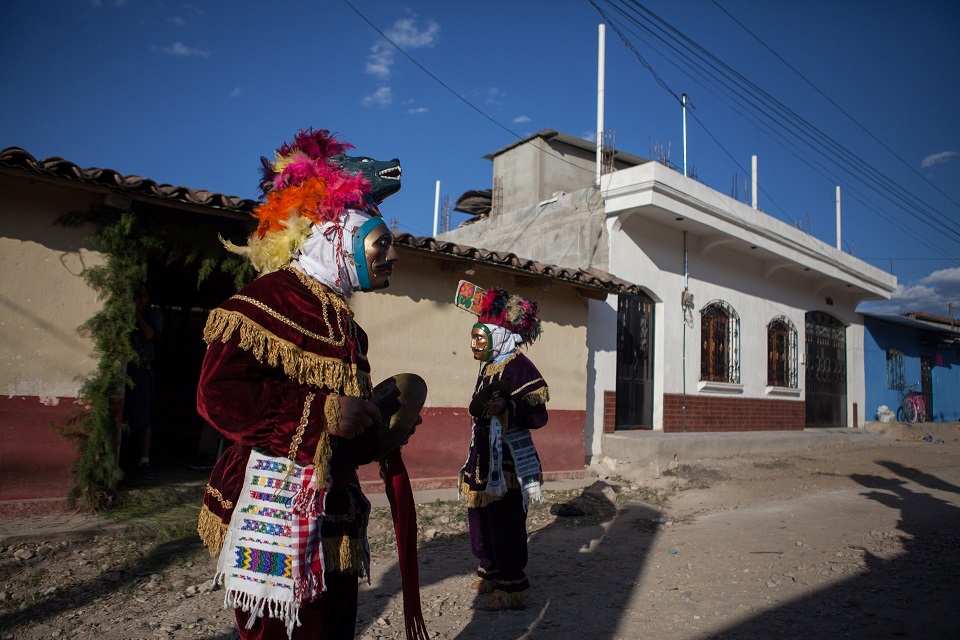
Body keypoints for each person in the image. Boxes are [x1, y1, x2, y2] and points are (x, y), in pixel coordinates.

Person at [195, 128, 426, 640]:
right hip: (270, 512)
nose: (392, 255)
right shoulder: (266, 299)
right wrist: (323, 412)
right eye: (382, 241)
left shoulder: (349, 326)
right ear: (336, 234)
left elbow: (340, 429)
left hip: (334, 515)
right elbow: (217, 396)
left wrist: (379, 426)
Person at [454, 281, 549, 610]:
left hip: (508, 462)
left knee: (506, 521)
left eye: (483, 334)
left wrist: (508, 408)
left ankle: (512, 585)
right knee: (481, 517)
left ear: (502, 335)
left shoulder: (520, 367)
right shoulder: (489, 367)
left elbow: (538, 415)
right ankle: (490, 571)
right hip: (482, 458)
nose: (476, 341)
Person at [124, 286, 163, 479]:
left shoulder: (153, 314)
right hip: (125, 369)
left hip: (142, 369)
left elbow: (149, 335)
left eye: (143, 295)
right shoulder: (121, 312)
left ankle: (144, 460)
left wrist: (137, 313)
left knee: (144, 415)